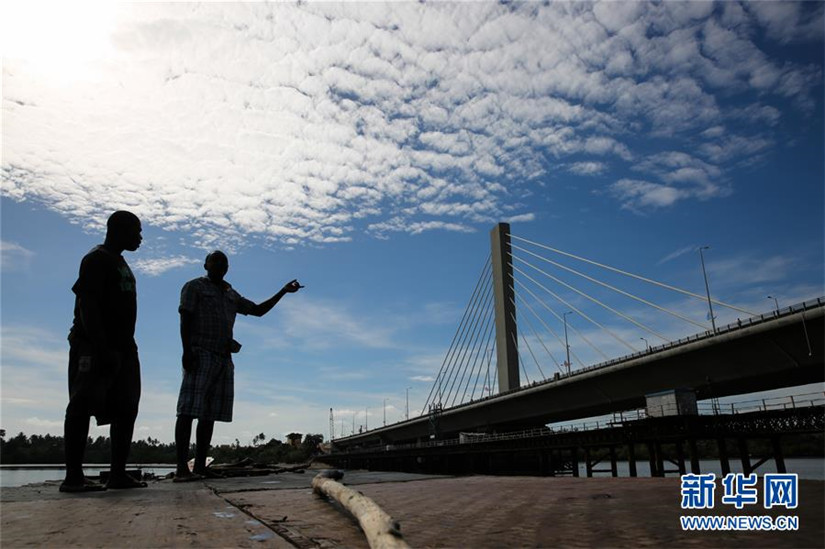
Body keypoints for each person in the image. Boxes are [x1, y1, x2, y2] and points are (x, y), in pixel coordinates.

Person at [174, 251, 302, 481]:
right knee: (187, 411)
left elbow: (258, 311)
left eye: (224, 263)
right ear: (206, 264)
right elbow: (185, 318)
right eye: (216, 261)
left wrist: (283, 291)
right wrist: (186, 351)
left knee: (208, 414)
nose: (220, 265)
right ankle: (182, 469)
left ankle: (201, 466)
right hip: (200, 352)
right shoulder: (194, 287)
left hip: (223, 357)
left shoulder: (230, 294)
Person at [61, 210, 145, 492]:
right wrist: (102, 348)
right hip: (94, 345)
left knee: (126, 407)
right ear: (119, 230)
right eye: (137, 231)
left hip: (124, 347)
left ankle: (117, 474)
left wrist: (121, 349)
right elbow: (88, 305)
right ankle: (73, 477)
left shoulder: (120, 262)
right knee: (82, 404)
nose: (140, 238)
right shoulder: (96, 259)